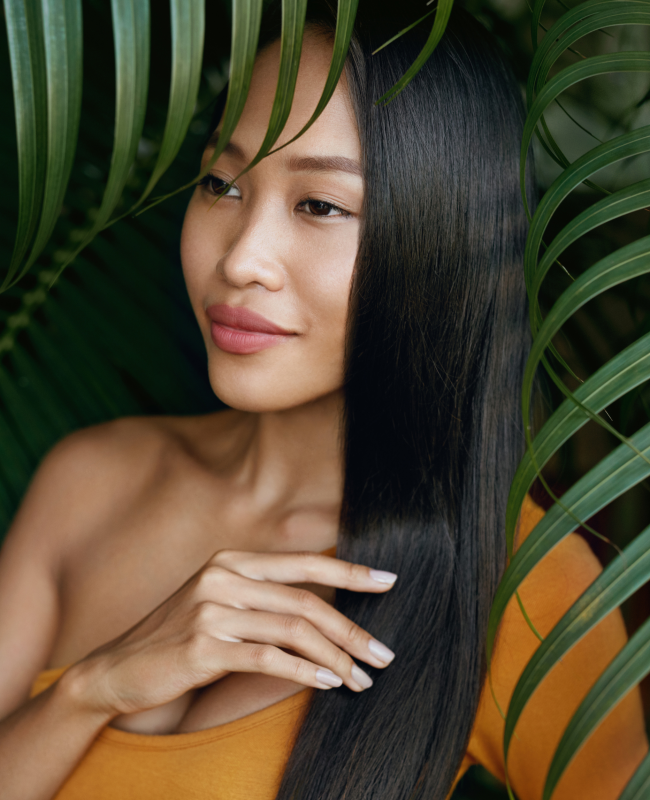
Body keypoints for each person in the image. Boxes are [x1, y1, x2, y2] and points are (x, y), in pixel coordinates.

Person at [0, 3, 646, 799]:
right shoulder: (90, 482)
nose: (242, 259)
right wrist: (92, 690)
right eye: (221, 183)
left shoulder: (519, 583)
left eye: (320, 205)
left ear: (440, 239)